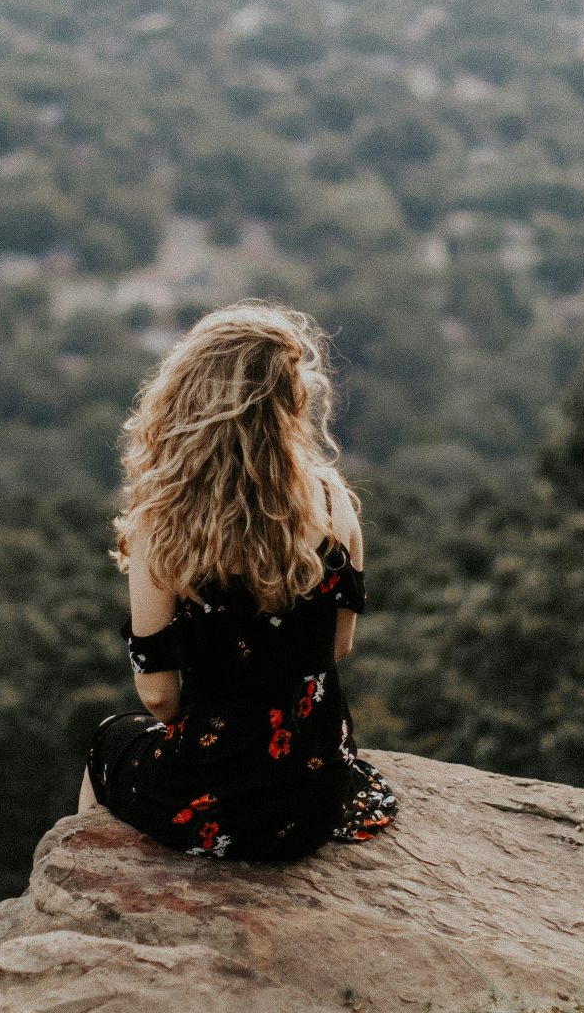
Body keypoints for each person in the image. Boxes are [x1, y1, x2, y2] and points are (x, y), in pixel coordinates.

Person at [78, 300, 397, 861]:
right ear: (291, 402)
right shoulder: (332, 500)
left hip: (213, 793)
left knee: (106, 742)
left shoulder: (166, 519)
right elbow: (338, 647)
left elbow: (158, 698)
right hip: (311, 796)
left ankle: (86, 890)